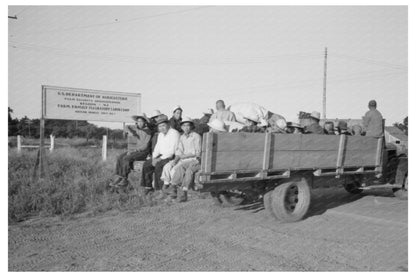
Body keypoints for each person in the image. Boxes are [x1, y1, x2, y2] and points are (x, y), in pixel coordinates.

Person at [161, 116, 202, 202]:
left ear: (191, 126)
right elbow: (179, 150)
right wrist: (176, 159)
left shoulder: (196, 136)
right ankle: (173, 190)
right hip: (184, 159)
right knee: (174, 167)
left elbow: (197, 152)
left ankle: (182, 192)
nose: (186, 128)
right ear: (182, 127)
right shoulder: (182, 137)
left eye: (188, 125)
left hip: (194, 159)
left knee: (182, 168)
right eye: (184, 126)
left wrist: (183, 156)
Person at [109, 113, 152, 188]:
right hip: (135, 150)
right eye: (138, 121)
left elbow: (145, 145)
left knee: (127, 158)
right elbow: (126, 126)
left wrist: (134, 150)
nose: (139, 123)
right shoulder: (136, 128)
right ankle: (119, 176)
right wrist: (130, 131)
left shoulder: (148, 132)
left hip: (143, 152)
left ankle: (124, 179)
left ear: (145, 122)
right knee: (120, 157)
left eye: (141, 121)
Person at [141, 114, 180, 195]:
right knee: (146, 164)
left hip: (171, 156)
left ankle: (160, 190)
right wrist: (154, 158)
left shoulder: (174, 133)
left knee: (159, 166)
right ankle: (148, 187)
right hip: (162, 156)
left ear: (168, 125)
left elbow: (172, 150)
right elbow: (157, 147)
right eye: (160, 126)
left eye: (163, 125)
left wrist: (159, 159)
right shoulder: (160, 134)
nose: (162, 128)